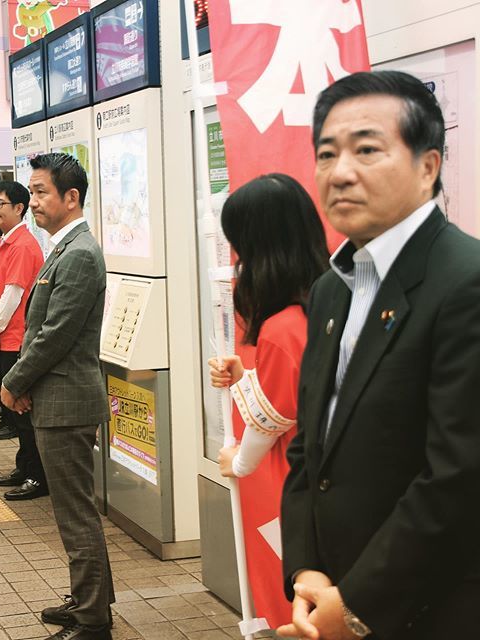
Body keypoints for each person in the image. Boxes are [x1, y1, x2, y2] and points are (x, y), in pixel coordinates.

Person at [278, 70, 480, 640]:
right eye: (326, 154)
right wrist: (306, 571)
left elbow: (459, 476)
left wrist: (357, 606)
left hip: (432, 609)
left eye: (367, 150)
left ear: (428, 166)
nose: (340, 172)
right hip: (333, 592)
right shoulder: (330, 289)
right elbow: (309, 446)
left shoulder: (465, 283)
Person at [1, 153, 113, 640]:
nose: (34, 201)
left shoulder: (80, 253)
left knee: (75, 513)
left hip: (67, 402)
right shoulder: (65, 248)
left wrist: (13, 382)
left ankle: (92, 621)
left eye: (41, 192)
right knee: (73, 511)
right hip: (57, 397)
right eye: (32, 192)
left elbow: (55, 334)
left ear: (71, 197)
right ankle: (91, 601)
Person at [208, 174, 328, 627]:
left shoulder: (280, 328)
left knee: (290, 600)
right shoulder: (329, 302)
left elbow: (273, 418)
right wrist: (245, 379)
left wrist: (238, 462)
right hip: (325, 476)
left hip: (287, 478)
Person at [0, 180, 48, 499]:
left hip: (14, 341)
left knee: (22, 412)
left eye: (1, 203)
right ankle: (25, 467)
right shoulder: (8, 242)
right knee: (13, 411)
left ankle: (38, 477)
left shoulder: (22, 245)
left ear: (20, 208)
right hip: (2, 339)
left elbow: (12, 296)